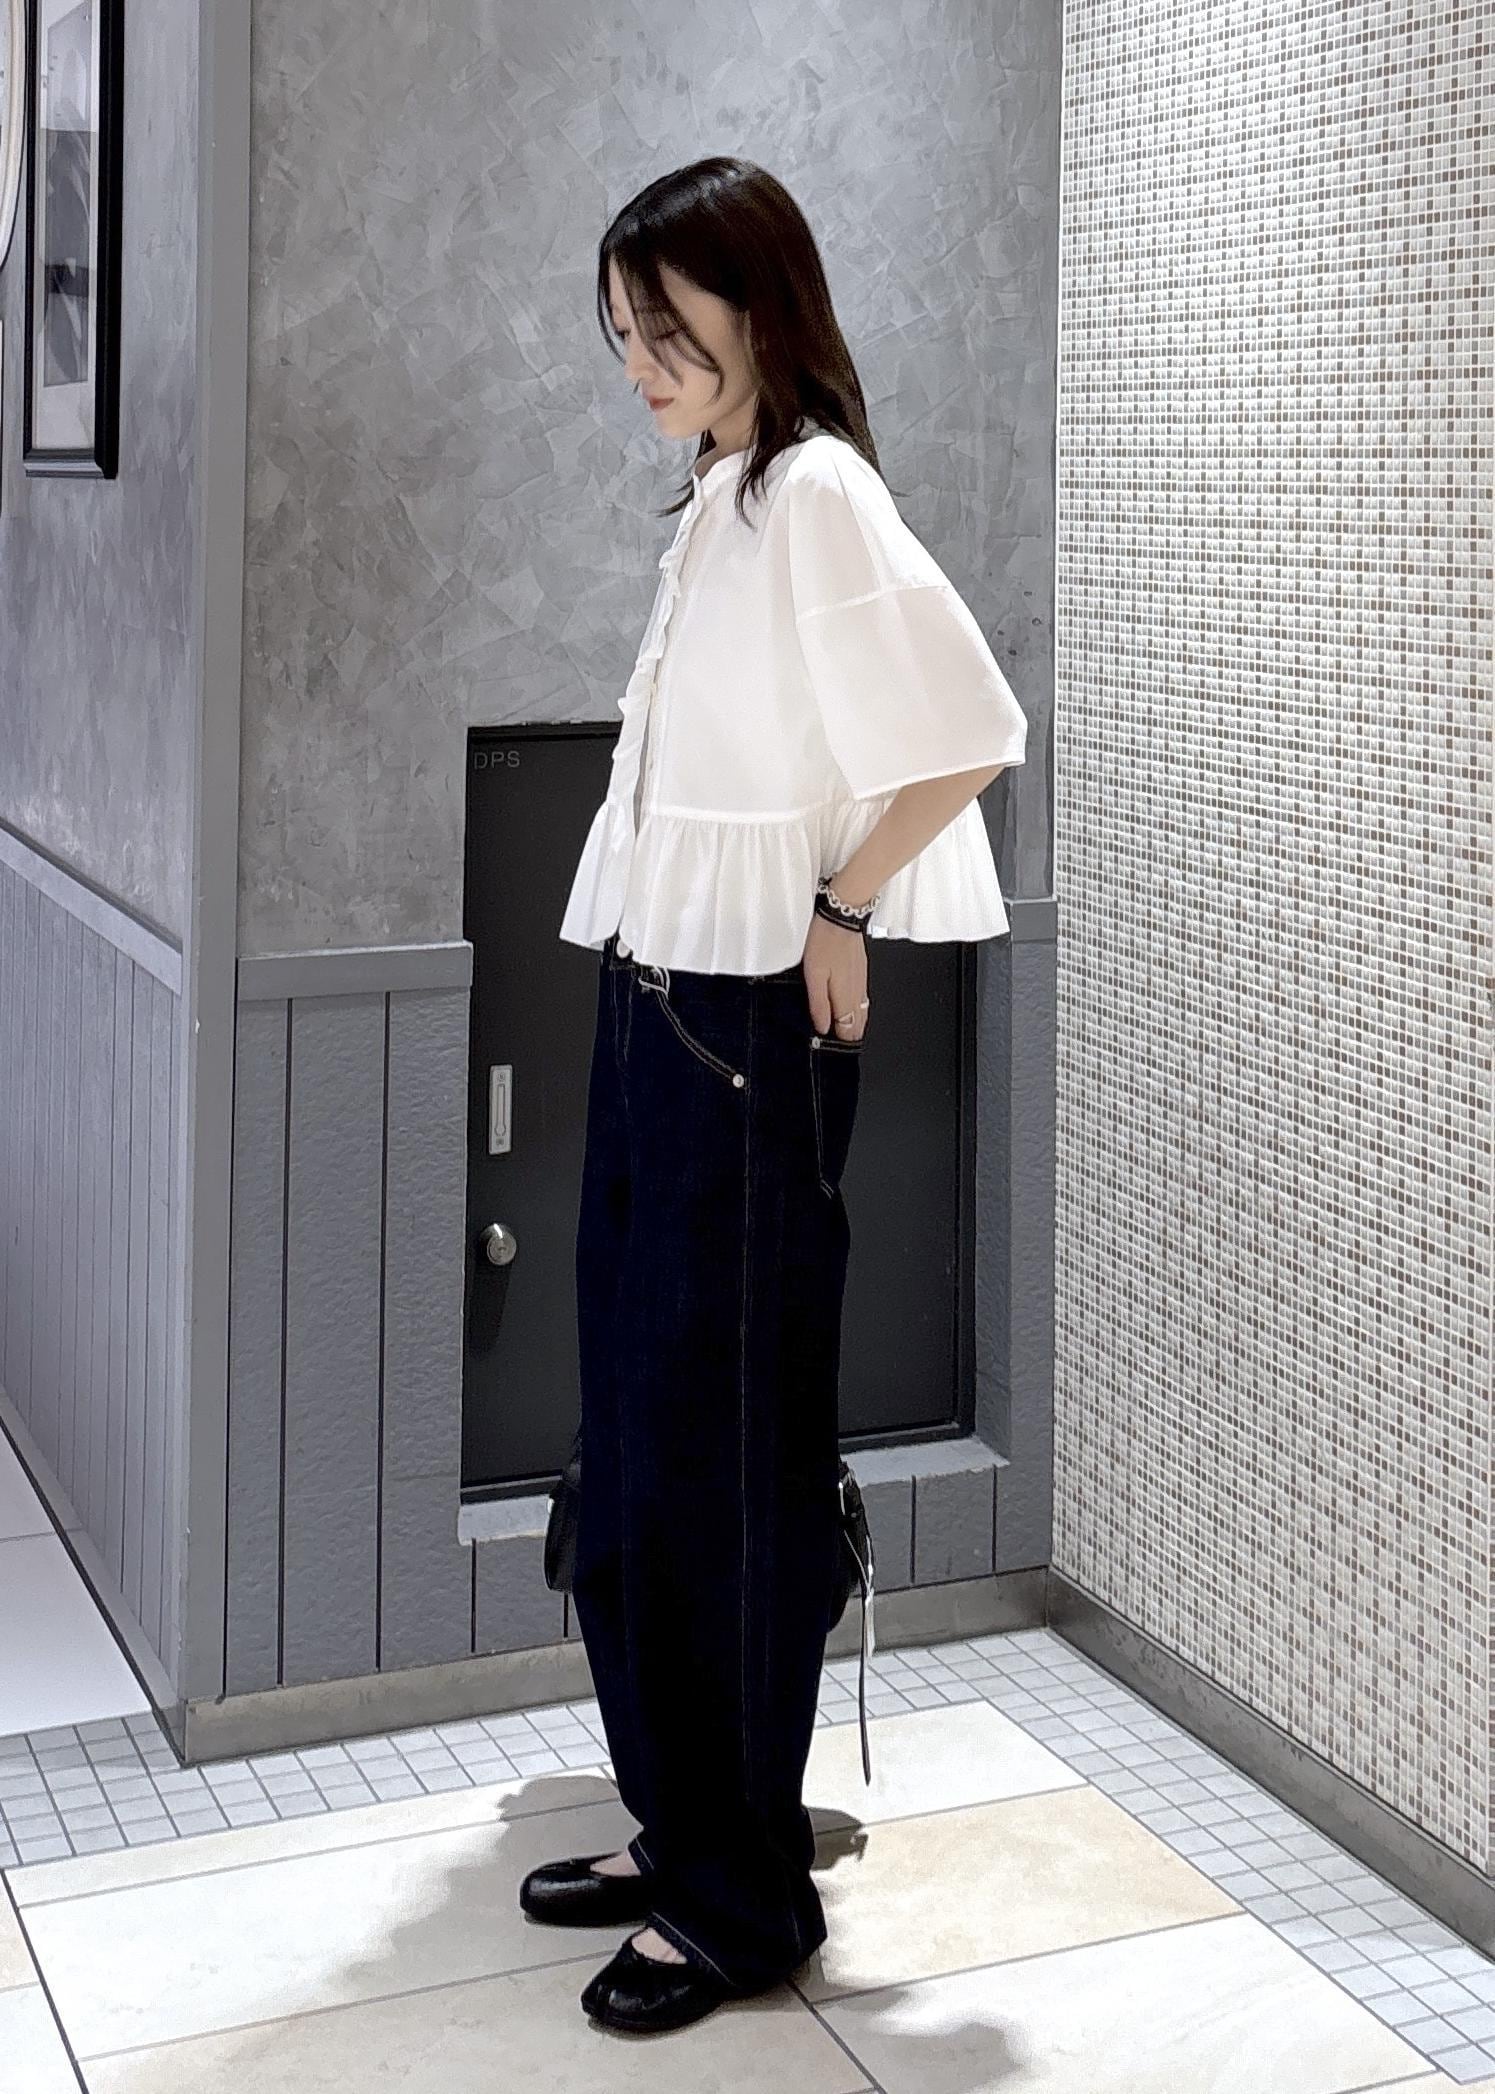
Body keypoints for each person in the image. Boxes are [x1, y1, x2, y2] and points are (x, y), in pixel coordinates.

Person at [519, 156, 1029, 2036]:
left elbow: (972, 730)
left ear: (762, 308)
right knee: (636, 1450)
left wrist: (843, 900)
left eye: (666, 325)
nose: (638, 362)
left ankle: (741, 1901)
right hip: (654, 1006)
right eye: (621, 331)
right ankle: (685, 1823)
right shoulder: (724, 496)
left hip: (739, 1030)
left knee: (722, 1469)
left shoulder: (815, 491)